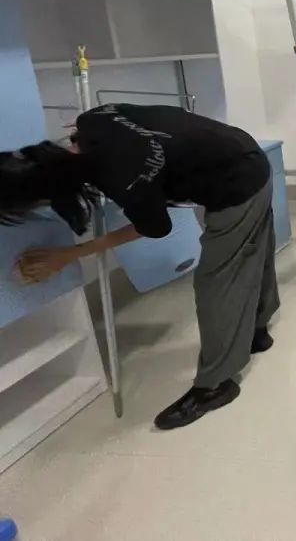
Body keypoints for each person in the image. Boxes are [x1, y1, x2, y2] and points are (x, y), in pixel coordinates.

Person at [1, 104, 279, 429]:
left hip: (238, 179)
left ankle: (216, 385)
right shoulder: (92, 119)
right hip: (237, 148)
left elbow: (154, 227)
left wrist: (70, 254)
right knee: (251, 250)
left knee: (217, 282)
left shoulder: (122, 176)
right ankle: (257, 332)